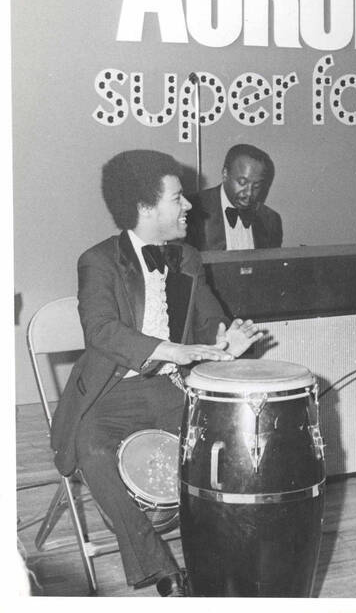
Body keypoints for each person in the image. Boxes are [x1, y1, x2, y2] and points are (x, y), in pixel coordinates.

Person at [50, 150, 264, 596]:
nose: (190, 205)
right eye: (178, 198)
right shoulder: (98, 261)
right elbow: (102, 331)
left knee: (219, 452)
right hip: (109, 393)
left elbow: (209, 327)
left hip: (168, 389)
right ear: (147, 208)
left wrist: (228, 345)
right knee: (92, 452)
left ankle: (221, 555)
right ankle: (163, 570)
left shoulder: (187, 258)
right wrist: (175, 350)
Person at [185, 143, 283, 250]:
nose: (249, 193)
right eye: (242, 182)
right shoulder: (192, 211)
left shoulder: (270, 220)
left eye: (256, 185)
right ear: (225, 174)